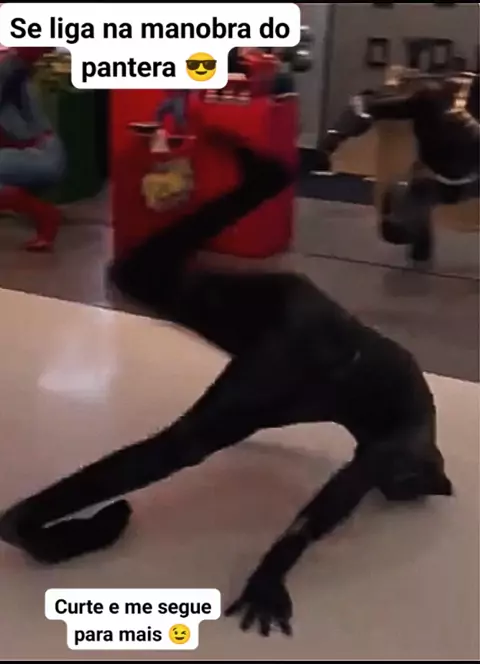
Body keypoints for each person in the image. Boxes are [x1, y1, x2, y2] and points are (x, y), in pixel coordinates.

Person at [0, 47, 66, 250]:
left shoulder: (8, 72)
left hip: (40, 154)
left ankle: (45, 216)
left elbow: (21, 59)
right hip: (36, 152)